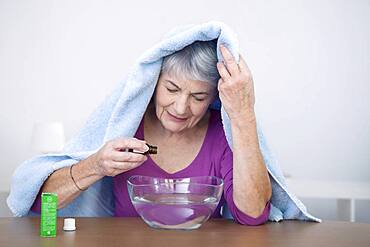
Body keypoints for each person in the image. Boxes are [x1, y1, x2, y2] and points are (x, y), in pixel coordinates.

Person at [31, 40, 272, 225]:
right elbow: (44, 203)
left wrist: (243, 114)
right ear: (153, 83)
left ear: (214, 98)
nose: (180, 108)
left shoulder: (222, 136)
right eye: (171, 88)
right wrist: (95, 166)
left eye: (198, 97)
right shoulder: (124, 125)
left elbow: (252, 215)